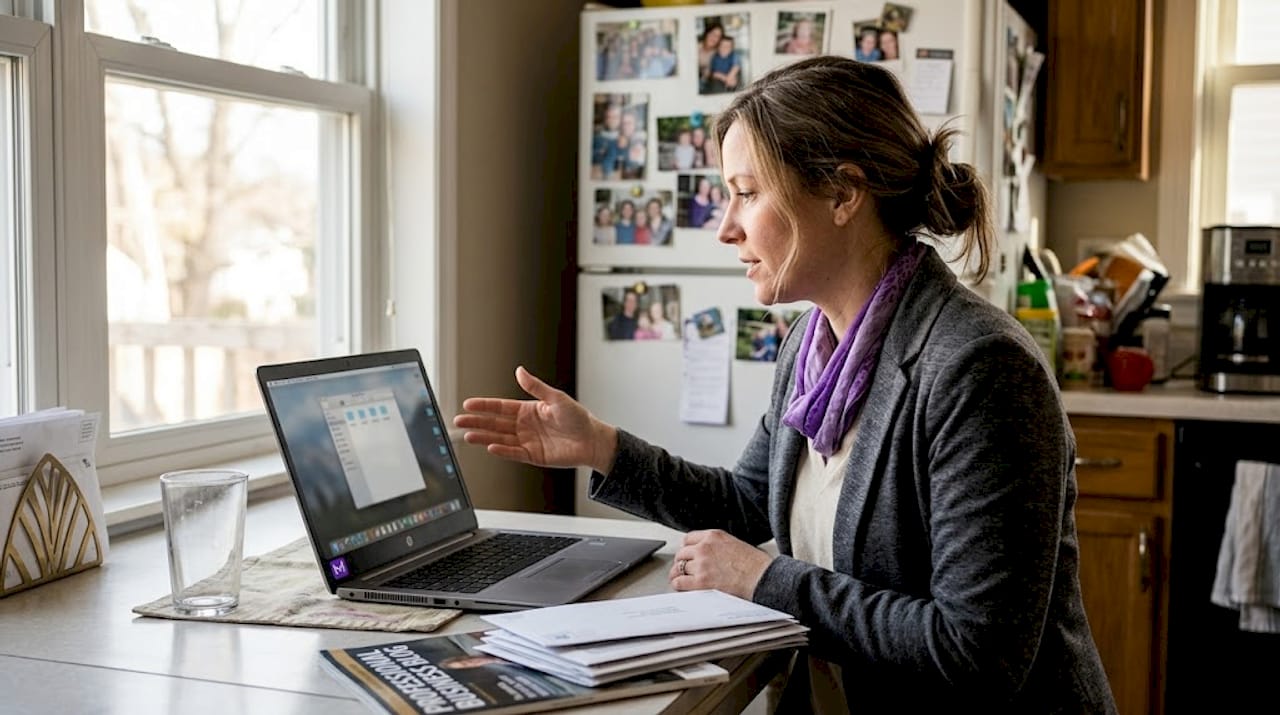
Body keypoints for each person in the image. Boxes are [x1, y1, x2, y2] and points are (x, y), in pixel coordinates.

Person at [454, 56, 1116, 713]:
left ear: (841, 193)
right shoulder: (814, 345)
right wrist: (601, 446)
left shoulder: (978, 369)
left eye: (747, 192)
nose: (725, 226)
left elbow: (979, 652)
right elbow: (750, 501)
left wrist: (763, 578)